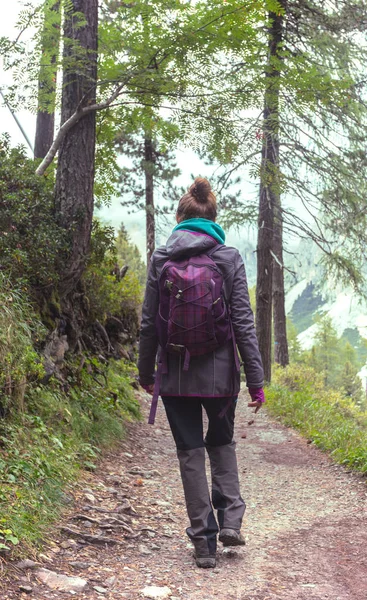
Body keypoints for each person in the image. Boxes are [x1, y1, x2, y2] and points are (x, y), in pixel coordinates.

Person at [138, 177, 265, 569]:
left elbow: (148, 323)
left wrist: (146, 372)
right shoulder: (227, 257)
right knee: (222, 442)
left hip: (175, 375)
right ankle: (230, 520)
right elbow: (244, 322)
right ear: (213, 217)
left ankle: (204, 544)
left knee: (190, 452)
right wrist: (256, 381)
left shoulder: (162, 258)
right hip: (222, 377)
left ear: (180, 217)